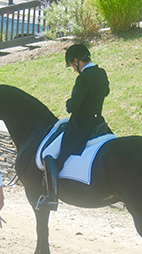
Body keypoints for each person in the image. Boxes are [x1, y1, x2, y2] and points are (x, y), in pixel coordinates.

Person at [39, 43, 112, 212]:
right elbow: (106, 92)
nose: (73, 69)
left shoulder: (83, 78)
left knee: (50, 154)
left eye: (72, 65)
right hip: (98, 122)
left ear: (76, 61)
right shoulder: (101, 73)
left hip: (80, 125)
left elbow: (73, 105)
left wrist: (68, 104)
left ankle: (51, 196)